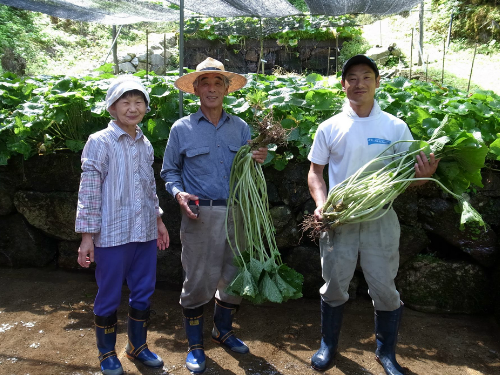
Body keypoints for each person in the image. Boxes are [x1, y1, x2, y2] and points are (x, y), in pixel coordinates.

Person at [307, 55, 439, 375]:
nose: (359, 83)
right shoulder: (330, 127)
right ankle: (328, 346)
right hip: (339, 219)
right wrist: (321, 204)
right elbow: (315, 173)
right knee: (334, 285)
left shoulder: (394, 126)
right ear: (343, 84)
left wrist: (425, 175)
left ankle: (386, 354)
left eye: (367, 77)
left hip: (380, 218)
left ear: (377, 83)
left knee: (384, 287)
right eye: (352, 77)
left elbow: (410, 180)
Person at [161, 57, 267, 374]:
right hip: (200, 214)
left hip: (238, 212)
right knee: (196, 280)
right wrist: (178, 194)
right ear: (195, 89)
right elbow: (169, 171)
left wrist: (259, 157)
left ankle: (223, 330)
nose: (211, 88)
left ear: (226, 89)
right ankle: (195, 345)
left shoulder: (241, 127)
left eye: (217, 83)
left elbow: (250, 168)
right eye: (204, 83)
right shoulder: (182, 129)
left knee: (234, 276)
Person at [75, 76, 170, 375]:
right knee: (109, 293)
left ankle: (137, 346)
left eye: (138, 102)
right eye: (125, 102)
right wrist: (87, 237)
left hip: (142, 230)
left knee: (143, 290)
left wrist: (158, 220)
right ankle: (106, 353)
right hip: (111, 234)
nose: (133, 108)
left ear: (145, 107)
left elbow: (149, 187)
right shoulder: (99, 141)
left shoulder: (145, 143)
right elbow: (89, 190)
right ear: (112, 108)